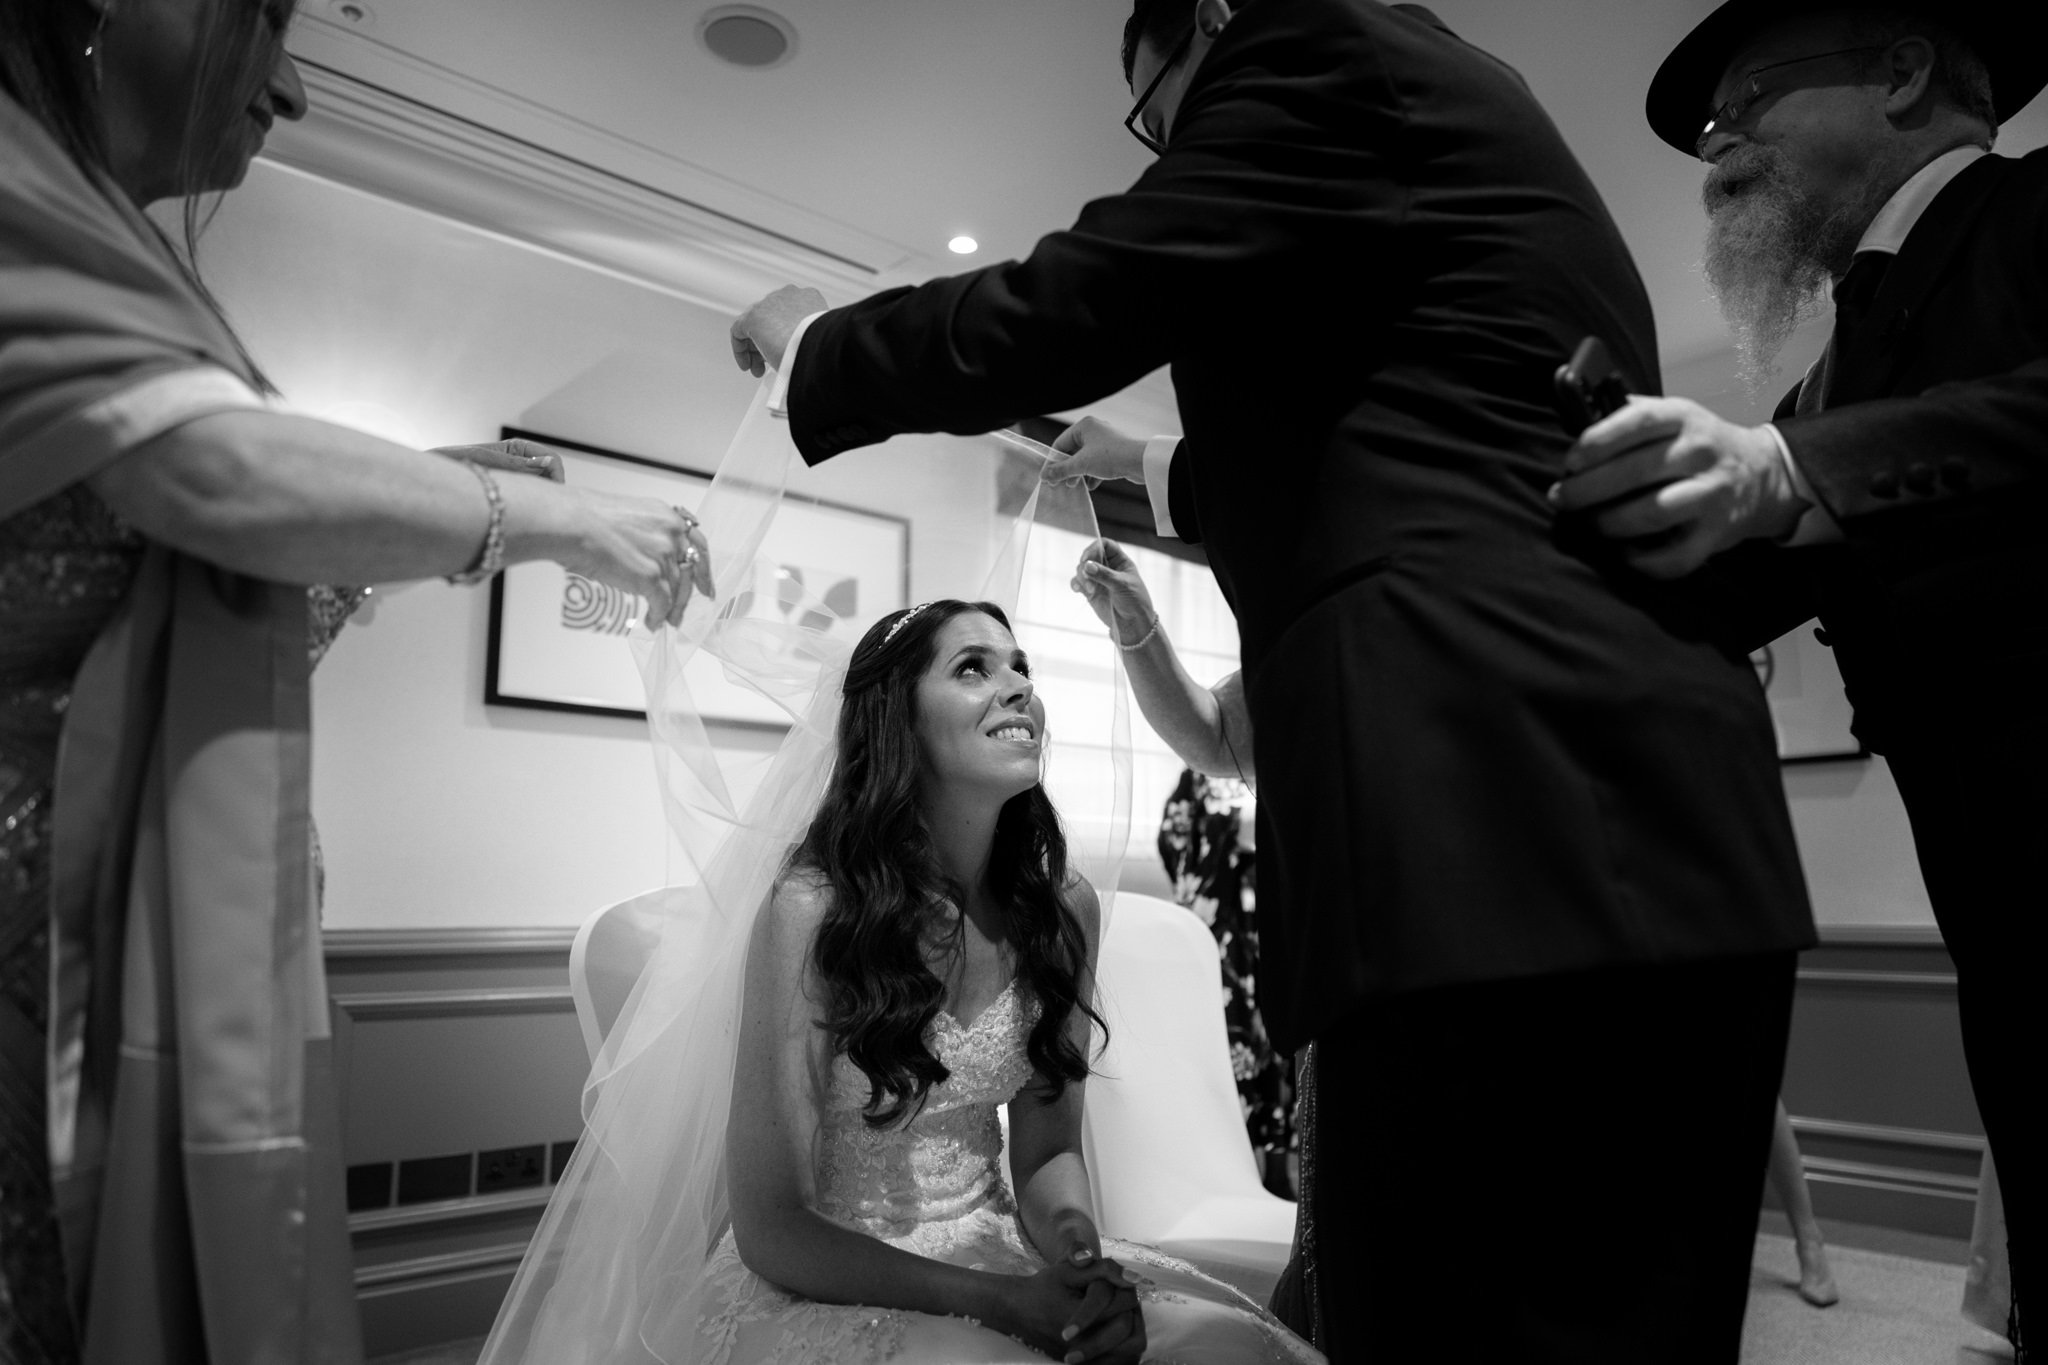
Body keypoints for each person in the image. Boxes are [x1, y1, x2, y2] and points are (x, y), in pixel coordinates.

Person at [731, 4, 1818, 1356]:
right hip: (1646, 815)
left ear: (1214, 20)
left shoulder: (1315, 44)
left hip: (1483, 822)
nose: (1175, 140)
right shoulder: (1448, 140)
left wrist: (818, 348)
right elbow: (1351, 445)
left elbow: (1094, 294)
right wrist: (1129, 469)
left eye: (1157, 103)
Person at [0, 3, 710, 1359]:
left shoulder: (82, 241)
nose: (296, 90)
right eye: (265, 15)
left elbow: (190, 546)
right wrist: (529, 514)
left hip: (93, 952)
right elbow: (211, 477)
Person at [1553, 4, 2047, 1352]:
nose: (1717, 149)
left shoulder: (2035, 210)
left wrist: (1789, 473)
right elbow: (1727, 580)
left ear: (1899, 70)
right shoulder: (1841, 368)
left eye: (1744, 103)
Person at [484, 600, 1320, 1364]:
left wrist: (1077, 1266)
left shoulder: (1062, 911)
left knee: (1228, 1349)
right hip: (831, 1270)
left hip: (1002, 1244)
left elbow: (1049, 1149)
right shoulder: (813, 911)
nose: (1019, 688)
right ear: (899, 723)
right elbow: (773, 1225)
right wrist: (999, 1303)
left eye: (1021, 667)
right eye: (973, 668)